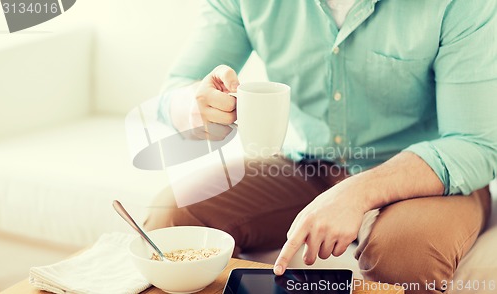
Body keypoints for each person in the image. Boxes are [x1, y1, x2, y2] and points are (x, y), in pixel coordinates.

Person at [145, 0, 497, 293]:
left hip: (426, 177)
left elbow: (476, 144)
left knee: (406, 251)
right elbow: (173, 92)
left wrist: (357, 193)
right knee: (174, 215)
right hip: (304, 164)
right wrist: (195, 103)